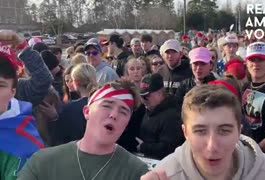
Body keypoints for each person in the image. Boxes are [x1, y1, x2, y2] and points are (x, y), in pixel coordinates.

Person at [141, 85, 265, 180]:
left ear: (239, 132)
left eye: (224, 131)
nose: (212, 146)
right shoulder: (166, 175)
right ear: (185, 133)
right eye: (200, 131)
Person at [18, 80, 149, 180]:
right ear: (87, 111)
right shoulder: (43, 163)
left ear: (126, 124)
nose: (114, 114)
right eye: (107, 106)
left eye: (123, 111)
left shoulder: (137, 173)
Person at [0, 51, 43, 180]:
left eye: (0, 86)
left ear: (13, 92)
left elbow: (42, 81)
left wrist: (23, 48)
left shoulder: (23, 144)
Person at [137, 73, 184, 159]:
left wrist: (144, 147)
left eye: (147, 96)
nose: (143, 100)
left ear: (159, 93)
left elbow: (169, 148)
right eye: (142, 96)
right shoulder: (149, 109)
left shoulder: (172, 116)